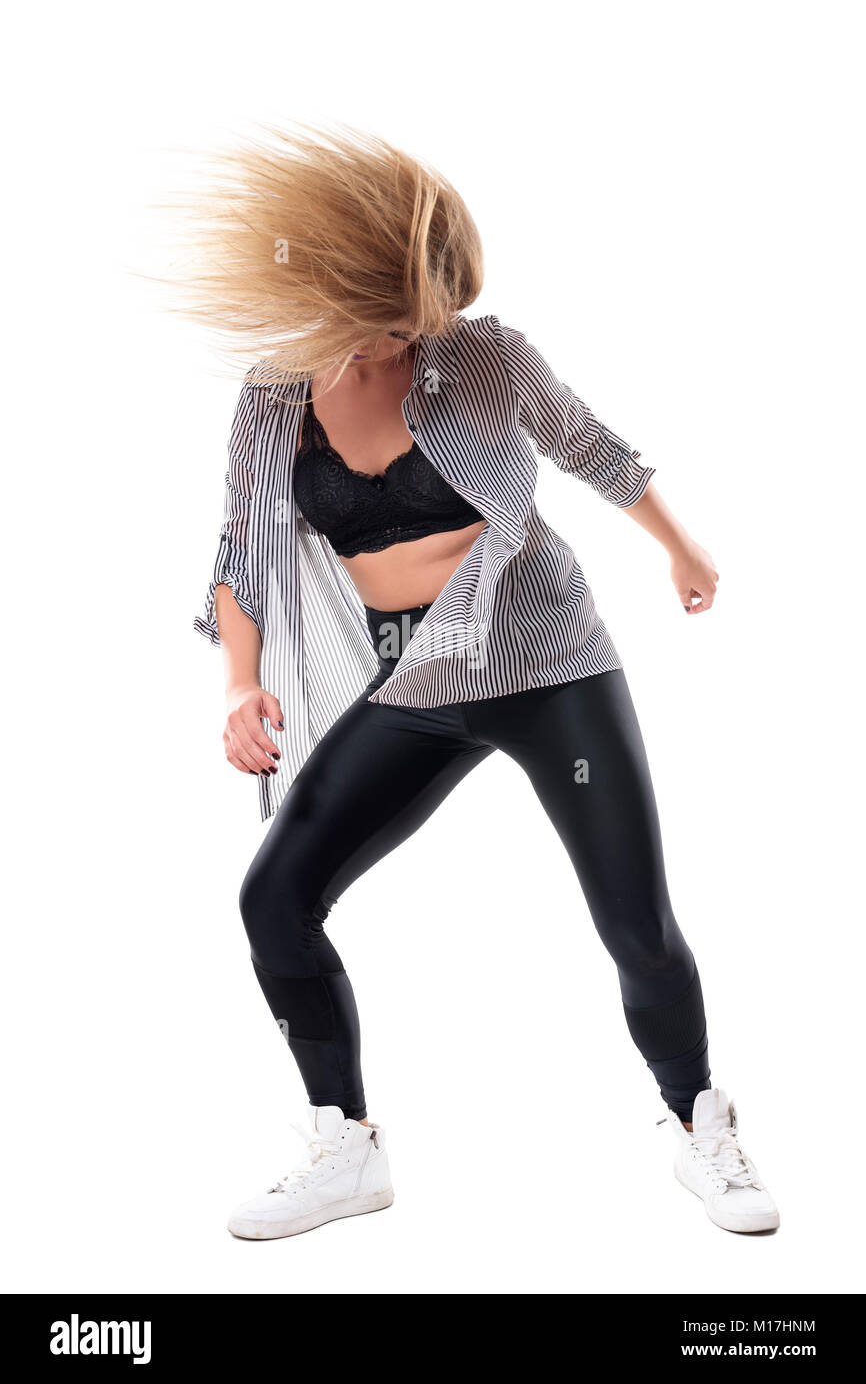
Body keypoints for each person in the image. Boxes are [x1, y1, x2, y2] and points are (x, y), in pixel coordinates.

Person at [184, 123, 779, 1238]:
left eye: (421, 311)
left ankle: (700, 1125)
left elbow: (586, 446)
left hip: (547, 659)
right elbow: (240, 552)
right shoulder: (270, 401)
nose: (415, 332)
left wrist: (679, 547)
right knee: (273, 899)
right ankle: (343, 1148)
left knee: (634, 922)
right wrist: (237, 685)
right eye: (394, 313)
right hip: (416, 677)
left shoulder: (485, 354)